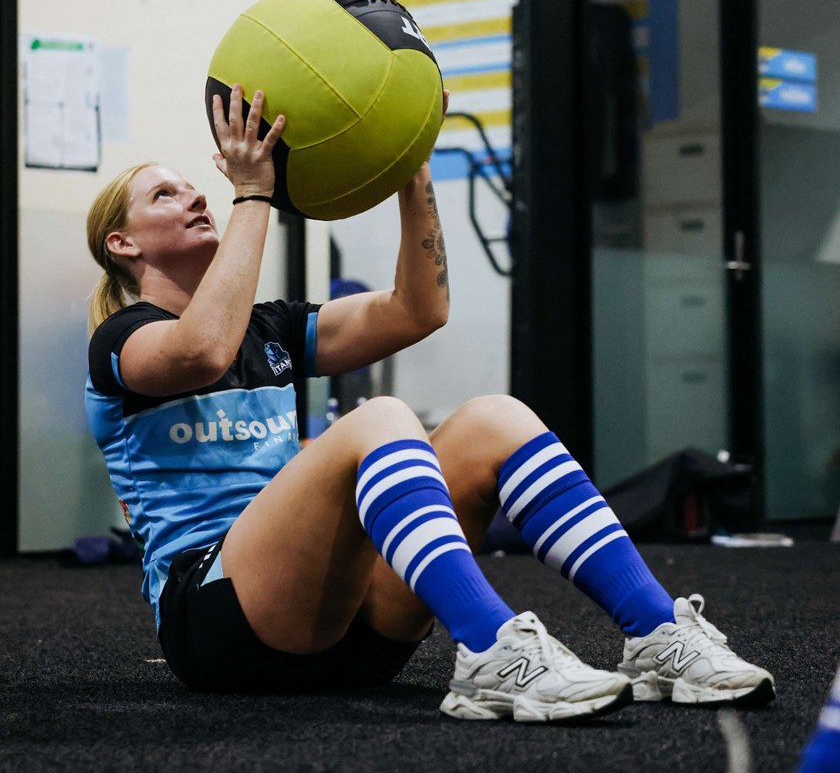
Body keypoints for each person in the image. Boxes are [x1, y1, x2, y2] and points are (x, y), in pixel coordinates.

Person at [85, 83, 775, 721]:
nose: (194, 197)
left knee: (493, 418)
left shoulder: (272, 329)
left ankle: (659, 637)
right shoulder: (121, 343)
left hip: (346, 628)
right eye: (164, 197)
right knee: (381, 418)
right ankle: (490, 649)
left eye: (192, 188)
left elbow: (419, 310)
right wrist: (252, 194)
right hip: (221, 628)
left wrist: (413, 171)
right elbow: (203, 349)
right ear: (122, 244)